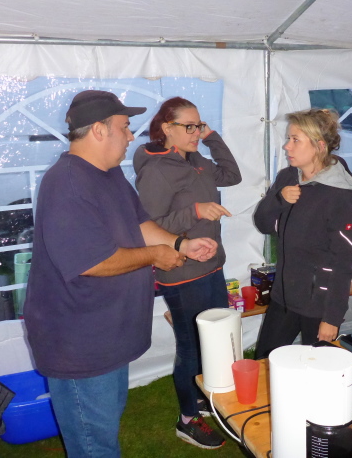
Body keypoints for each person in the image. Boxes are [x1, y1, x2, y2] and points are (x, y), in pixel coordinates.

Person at [23, 90, 218, 458]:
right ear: (99, 130)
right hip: (80, 344)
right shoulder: (66, 183)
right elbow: (91, 262)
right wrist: (155, 256)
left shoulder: (109, 175)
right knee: (94, 445)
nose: (131, 136)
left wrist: (180, 244)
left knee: (105, 427)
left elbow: (140, 223)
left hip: (108, 334)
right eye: (125, 127)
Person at [133, 97, 241, 449]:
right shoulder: (156, 170)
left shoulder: (196, 160)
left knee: (215, 340)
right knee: (191, 346)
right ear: (167, 128)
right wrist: (195, 211)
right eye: (189, 126)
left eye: (199, 125)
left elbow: (233, 175)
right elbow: (148, 226)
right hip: (181, 272)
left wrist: (212, 138)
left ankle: (200, 398)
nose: (196, 132)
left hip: (212, 265)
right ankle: (187, 420)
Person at [253, 108, 352, 359]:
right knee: (265, 364)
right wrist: (278, 200)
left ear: (319, 146)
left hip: (318, 304)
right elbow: (263, 224)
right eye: (288, 138)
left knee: (316, 370)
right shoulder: (287, 177)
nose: (287, 146)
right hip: (284, 297)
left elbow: (344, 261)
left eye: (295, 140)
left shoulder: (338, 196)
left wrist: (332, 318)